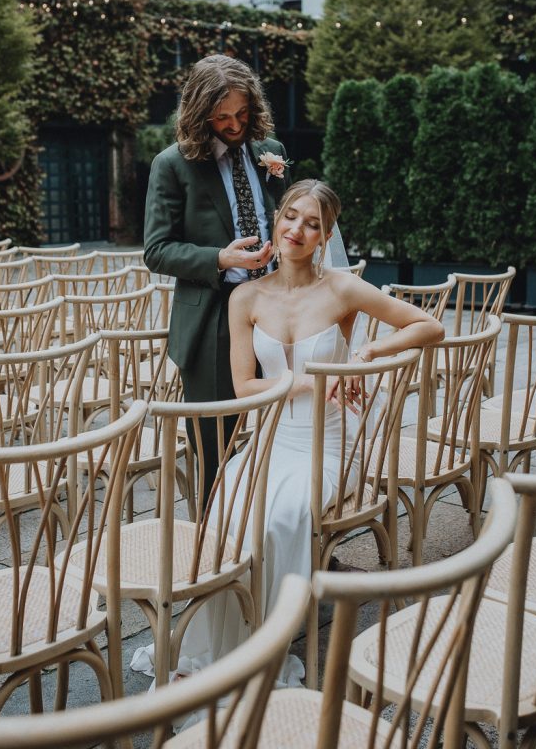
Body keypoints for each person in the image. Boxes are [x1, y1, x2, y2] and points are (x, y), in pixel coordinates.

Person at [133, 178, 444, 685]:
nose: (298, 230)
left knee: (279, 515)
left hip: (329, 444)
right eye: (292, 217)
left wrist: (366, 354)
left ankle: (266, 639)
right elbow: (243, 386)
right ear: (276, 221)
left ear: (326, 236)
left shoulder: (341, 287)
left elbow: (428, 326)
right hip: (275, 439)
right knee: (226, 508)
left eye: (313, 224)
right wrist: (306, 382)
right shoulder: (246, 297)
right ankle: (222, 641)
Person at [143, 54, 292, 501]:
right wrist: (221, 259)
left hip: (278, 312)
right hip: (213, 321)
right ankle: (210, 547)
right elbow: (156, 250)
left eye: (243, 113)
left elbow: (282, 218)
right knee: (214, 445)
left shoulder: (272, 152)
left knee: (287, 430)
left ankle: (278, 537)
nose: (234, 123)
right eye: (223, 116)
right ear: (200, 112)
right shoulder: (172, 164)